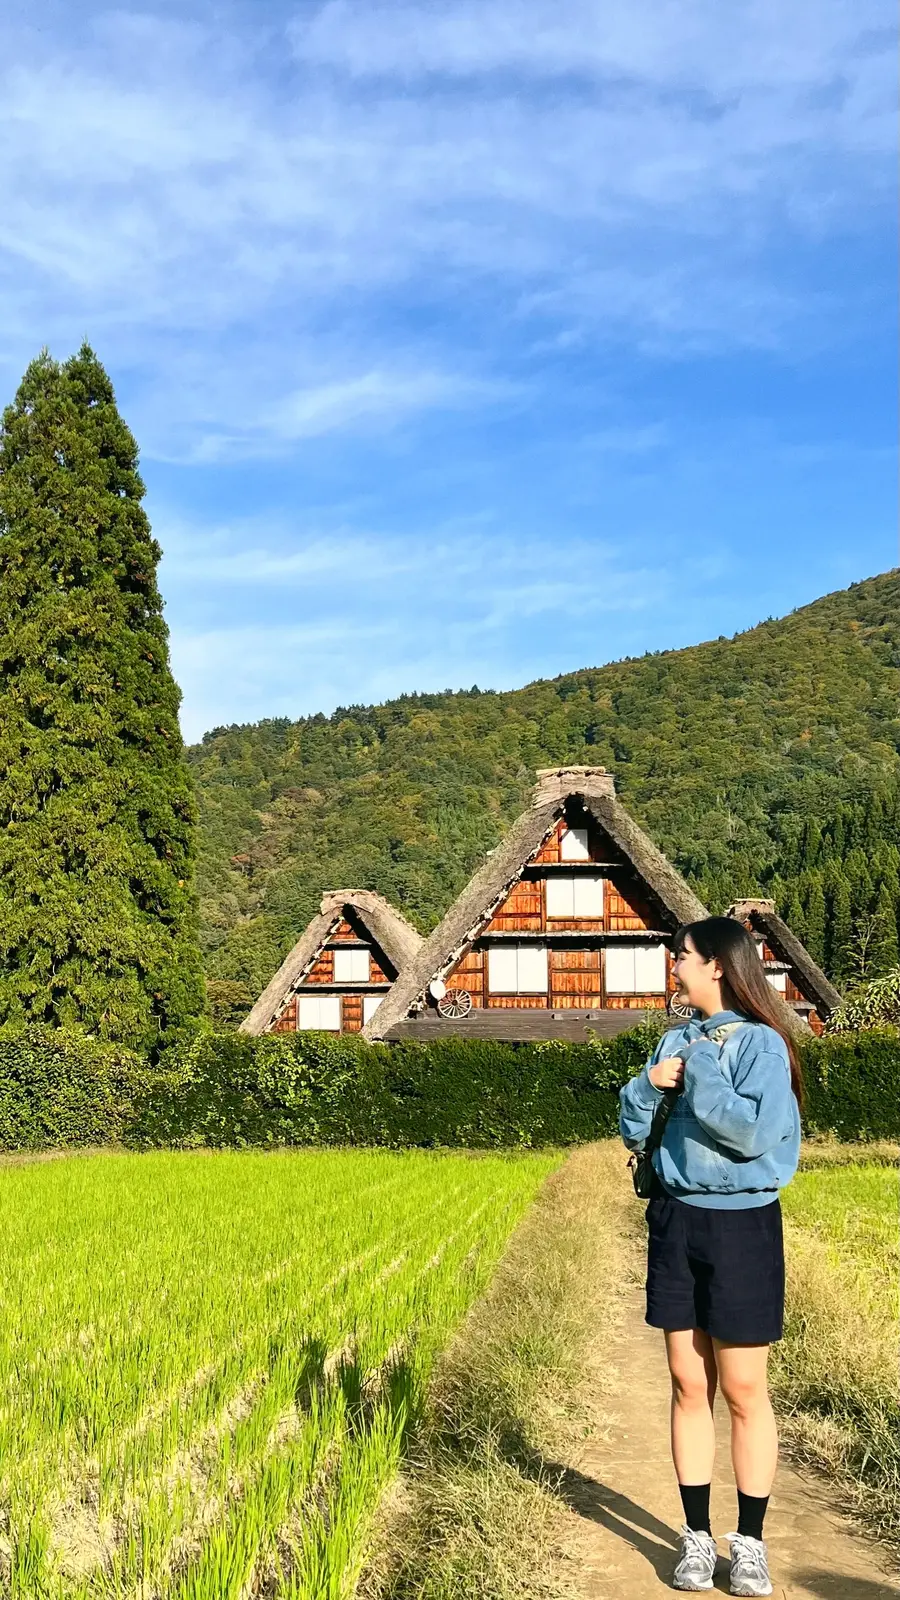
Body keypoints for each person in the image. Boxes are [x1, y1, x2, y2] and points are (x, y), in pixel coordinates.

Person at [619, 917, 802, 1597]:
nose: (675, 966)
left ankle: (748, 1543)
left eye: (683, 957)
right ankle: (696, 1537)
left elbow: (751, 1133)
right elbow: (635, 1126)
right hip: (675, 1219)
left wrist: (696, 1072)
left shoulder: (762, 1044)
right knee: (687, 1384)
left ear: (719, 965)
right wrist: (647, 1083)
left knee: (745, 1389)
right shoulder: (674, 1039)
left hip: (743, 1226)